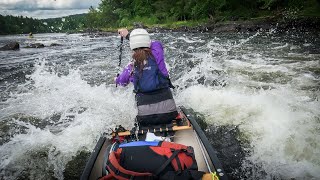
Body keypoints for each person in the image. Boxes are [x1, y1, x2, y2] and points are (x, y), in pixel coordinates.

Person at [116, 28, 178, 126]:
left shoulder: (131, 66)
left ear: (132, 46)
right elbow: (155, 43)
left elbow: (121, 83)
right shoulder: (158, 53)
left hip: (144, 118)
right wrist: (128, 36)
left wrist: (116, 79)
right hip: (170, 114)